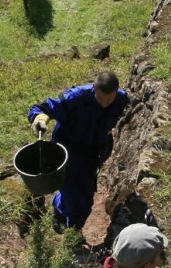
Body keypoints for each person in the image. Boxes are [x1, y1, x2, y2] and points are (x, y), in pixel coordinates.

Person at [28, 71, 128, 232]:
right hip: (67, 153)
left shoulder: (121, 99)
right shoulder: (75, 98)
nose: (105, 104)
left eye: (109, 100)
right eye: (100, 99)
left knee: (86, 200)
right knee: (75, 201)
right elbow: (42, 108)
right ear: (94, 87)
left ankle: (62, 210)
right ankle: (72, 231)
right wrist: (40, 119)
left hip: (92, 155)